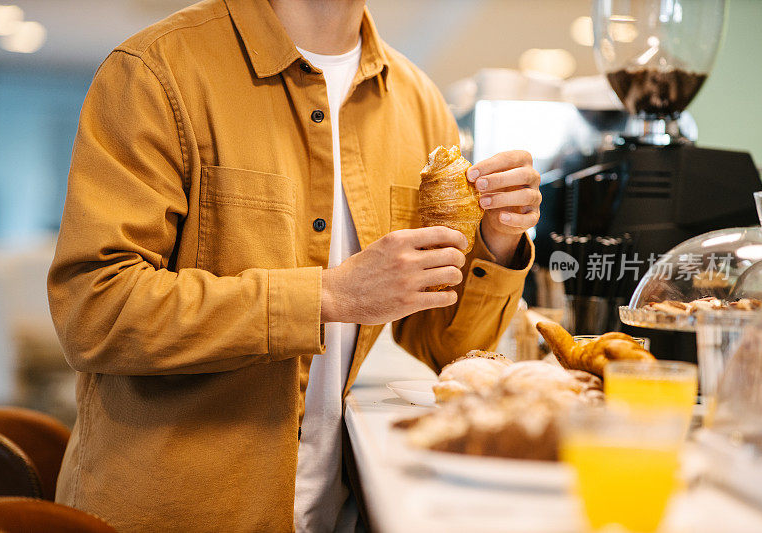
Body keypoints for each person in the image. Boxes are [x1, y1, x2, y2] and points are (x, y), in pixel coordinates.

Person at [47, 0, 541, 531]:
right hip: (171, 513)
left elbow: (447, 347)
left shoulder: (419, 102)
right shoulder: (156, 68)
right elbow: (94, 311)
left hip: (333, 508)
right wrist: (329, 296)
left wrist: (498, 240)